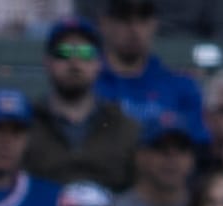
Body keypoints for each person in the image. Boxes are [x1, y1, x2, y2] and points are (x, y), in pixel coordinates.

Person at [24, 17, 139, 192]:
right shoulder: (24, 124)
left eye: (86, 53)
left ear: (99, 63)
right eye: (63, 53)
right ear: (47, 62)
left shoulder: (124, 126)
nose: (74, 62)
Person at [92, 0, 205, 139]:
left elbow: (197, 147)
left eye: (143, 18)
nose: (134, 28)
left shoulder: (183, 89)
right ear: (104, 23)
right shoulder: (87, 87)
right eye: (123, 18)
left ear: (154, 23)